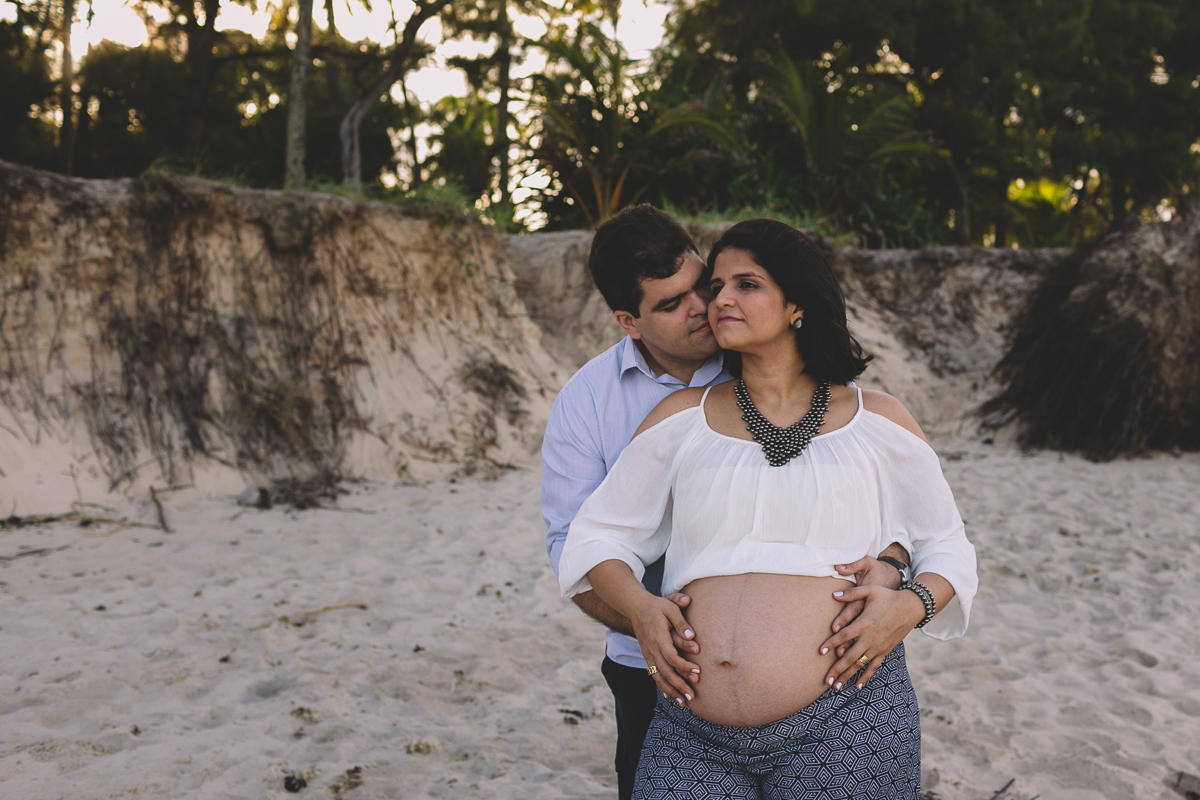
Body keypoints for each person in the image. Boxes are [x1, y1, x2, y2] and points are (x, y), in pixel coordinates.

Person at [557, 219, 978, 800]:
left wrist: (909, 606)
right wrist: (640, 610)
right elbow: (595, 537)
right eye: (719, 283)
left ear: (796, 305)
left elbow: (948, 546)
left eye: (745, 284)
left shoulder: (879, 418)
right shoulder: (678, 417)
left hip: (845, 718)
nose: (718, 300)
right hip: (690, 733)